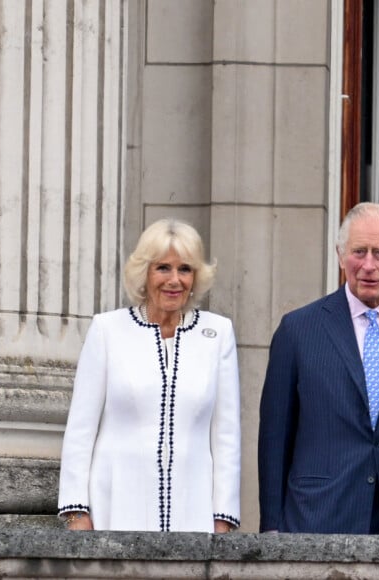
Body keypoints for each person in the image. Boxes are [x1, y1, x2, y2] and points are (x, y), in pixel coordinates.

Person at [258, 202, 379, 534]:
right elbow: (275, 436)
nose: (368, 265)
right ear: (340, 255)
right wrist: (271, 527)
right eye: (358, 252)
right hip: (318, 517)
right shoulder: (298, 330)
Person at [57, 218, 241, 532]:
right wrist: (76, 513)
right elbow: (80, 429)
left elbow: (226, 435)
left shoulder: (218, 333)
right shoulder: (107, 330)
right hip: (114, 508)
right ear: (144, 273)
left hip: (192, 512)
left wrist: (223, 518)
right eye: (163, 268)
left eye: (185, 269)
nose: (174, 280)